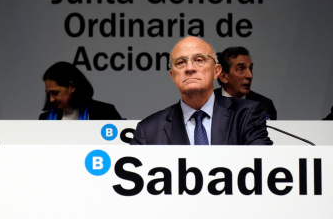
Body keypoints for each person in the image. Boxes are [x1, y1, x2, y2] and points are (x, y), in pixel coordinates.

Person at [130, 36, 273, 145]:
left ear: (217, 72)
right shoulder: (149, 130)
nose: (190, 68)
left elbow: (261, 167)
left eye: (199, 60)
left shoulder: (245, 115)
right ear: (172, 76)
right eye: (180, 63)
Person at [39, 61, 122, 120]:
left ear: (72, 86)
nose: (51, 99)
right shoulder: (44, 118)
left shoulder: (106, 113)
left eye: (55, 93)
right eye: (49, 94)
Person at [215, 47, 277, 120]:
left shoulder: (264, 105)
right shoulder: (206, 102)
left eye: (250, 68)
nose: (250, 75)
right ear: (223, 76)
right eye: (241, 69)